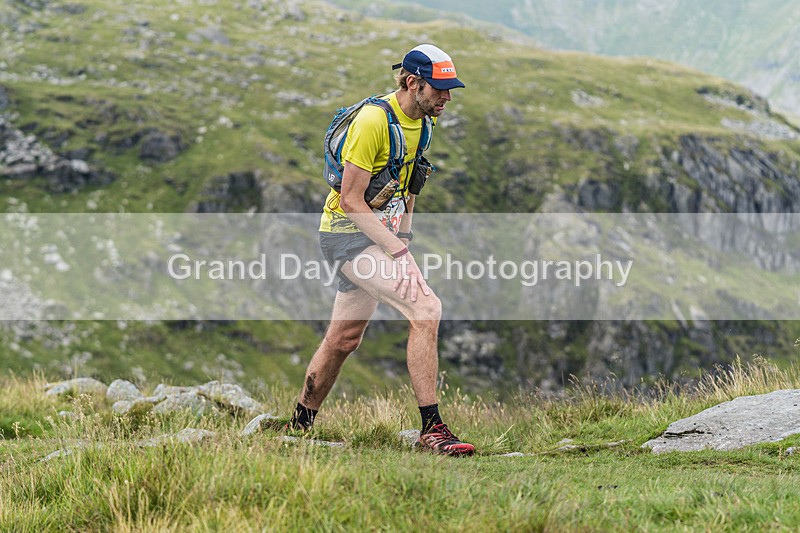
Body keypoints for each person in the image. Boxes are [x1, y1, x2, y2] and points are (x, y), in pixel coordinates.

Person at [288, 44, 474, 456]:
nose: (447, 97)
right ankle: (432, 429)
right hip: (346, 235)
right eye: (439, 89)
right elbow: (352, 200)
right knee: (426, 310)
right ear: (412, 82)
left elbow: (409, 186)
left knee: (344, 338)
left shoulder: (423, 123)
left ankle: (298, 425)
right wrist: (398, 252)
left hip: (380, 236)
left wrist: (402, 239)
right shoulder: (374, 121)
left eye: (450, 89)